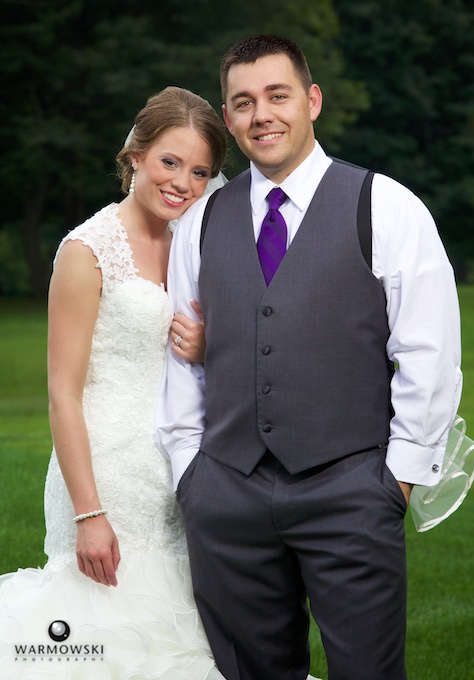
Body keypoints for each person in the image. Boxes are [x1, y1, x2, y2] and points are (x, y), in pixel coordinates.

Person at [156, 35, 463, 680]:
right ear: (229, 115)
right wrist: (192, 471)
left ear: (312, 101)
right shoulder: (203, 220)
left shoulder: (385, 206)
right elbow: (183, 351)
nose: (261, 114)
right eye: (243, 102)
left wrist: (396, 479)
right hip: (227, 492)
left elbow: (429, 352)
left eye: (277, 95)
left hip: (351, 489)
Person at [0, 86, 228, 679]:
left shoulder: (192, 242)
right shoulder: (86, 250)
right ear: (135, 155)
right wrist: (88, 513)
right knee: (102, 645)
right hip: (104, 479)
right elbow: (62, 393)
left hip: (174, 475)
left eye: (200, 170)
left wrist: (207, 346)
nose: (182, 182)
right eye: (169, 162)